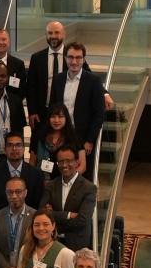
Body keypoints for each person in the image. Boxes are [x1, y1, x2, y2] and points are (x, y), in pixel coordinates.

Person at [50, 42, 106, 176]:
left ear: (84, 59)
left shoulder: (94, 81)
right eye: (70, 57)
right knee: (60, 173)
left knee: (83, 176)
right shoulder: (58, 79)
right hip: (62, 136)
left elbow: (99, 114)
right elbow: (53, 108)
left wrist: (90, 140)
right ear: (65, 58)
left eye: (78, 58)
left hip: (83, 139)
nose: (74, 61)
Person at [41, 145, 97, 252]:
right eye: (61, 161)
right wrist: (68, 215)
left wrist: (55, 223)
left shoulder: (89, 188)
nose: (64, 165)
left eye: (68, 161)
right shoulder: (50, 185)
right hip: (52, 243)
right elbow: (42, 213)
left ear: (77, 162)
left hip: (76, 244)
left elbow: (82, 220)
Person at [0, 132, 44, 214]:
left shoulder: (36, 174)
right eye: (10, 145)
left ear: (24, 149)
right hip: (2, 222)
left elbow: (37, 204)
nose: (14, 148)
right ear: (4, 150)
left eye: (18, 145)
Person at [0, 177, 35, 268]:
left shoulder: (35, 216)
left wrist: (23, 267)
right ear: (6, 193)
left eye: (18, 191)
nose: (13, 196)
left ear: (25, 193)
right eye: (10, 192)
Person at [29, 102, 82, 178]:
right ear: (48, 118)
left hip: (66, 182)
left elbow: (82, 165)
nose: (56, 120)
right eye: (53, 117)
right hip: (42, 181)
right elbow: (32, 163)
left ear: (66, 118)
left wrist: (69, 179)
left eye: (60, 117)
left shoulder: (74, 137)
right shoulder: (39, 136)